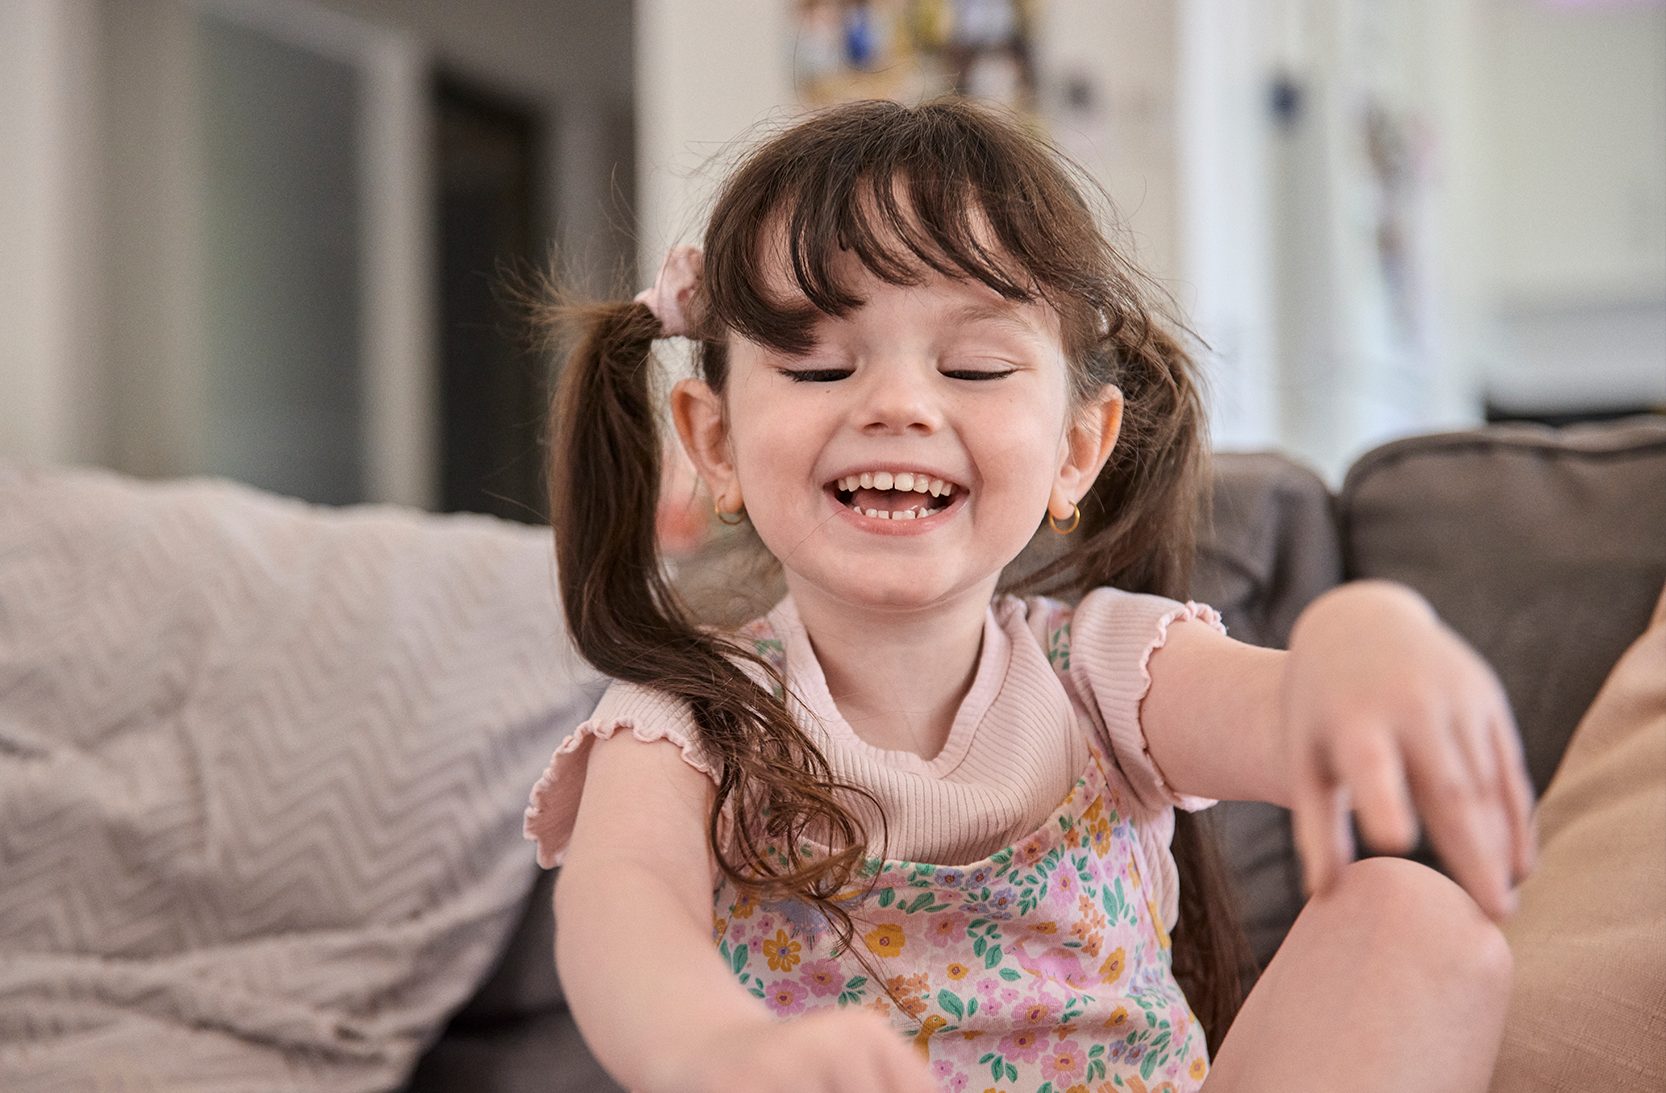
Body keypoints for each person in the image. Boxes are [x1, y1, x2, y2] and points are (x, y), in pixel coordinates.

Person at [524, 99, 1532, 1093]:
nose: (899, 406)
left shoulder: (1105, 674)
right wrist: (715, 1049)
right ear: (713, 442)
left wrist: (1359, 630)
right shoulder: (688, 717)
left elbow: (1294, 712)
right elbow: (625, 907)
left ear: (1075, 450)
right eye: (819, 364)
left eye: (974, 365)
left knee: (1413, 918)